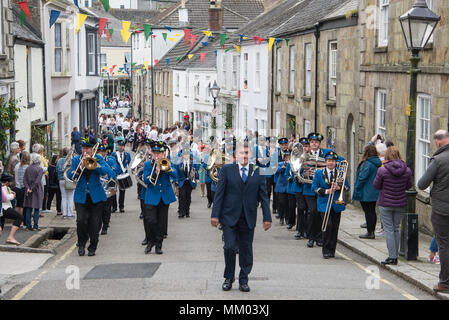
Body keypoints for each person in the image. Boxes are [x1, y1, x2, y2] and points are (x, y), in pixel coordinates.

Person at [211, 142, 272, 292]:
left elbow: (264, 197)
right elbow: (219, 194)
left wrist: (267, 217)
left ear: (250, 155)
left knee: (246, 250)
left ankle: (244, 279)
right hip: (229, 216)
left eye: (246, 153)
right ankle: (228, 277)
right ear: (235, 155)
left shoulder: (258, 171)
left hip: (248, 217)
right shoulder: (226, 169)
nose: (244, 156)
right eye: (241, 153)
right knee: (230, 247)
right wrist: (215, 215)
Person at [69, 137, 115, 256]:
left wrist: (97, 166)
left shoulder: (98, 158)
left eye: (88, 148)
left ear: (92, 149)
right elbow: (71, 175)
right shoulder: (76, 159)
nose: (86, 150)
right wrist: (80, 166)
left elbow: (110, 173)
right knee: (81, 221)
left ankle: (93, 246)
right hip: (81, 196)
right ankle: (81, 243)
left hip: (96, 197)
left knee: (94, 223)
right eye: (84, 148)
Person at [417, 130, 449, 293]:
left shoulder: (438, 160)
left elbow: (421, 184)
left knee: (444, 244)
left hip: (442, 210)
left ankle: (445, 282)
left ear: (438, 142)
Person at [373, 146, 412, 266]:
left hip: (385, 203)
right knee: (396, 229)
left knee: (389, 230)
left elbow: (376, 185)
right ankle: (395, 256)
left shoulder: (382, 170)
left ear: (388, 156)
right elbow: (409, 186)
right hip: (400, 203)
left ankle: (392, 256)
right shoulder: (407, 170)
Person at [312, 151, 350, 259]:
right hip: (324, 204)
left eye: (333, 161)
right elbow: (314, 187)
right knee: (327, 226)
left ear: (335, 162)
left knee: (335, 227)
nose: (331, 163)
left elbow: (347, 187)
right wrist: (327, 191)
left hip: (337, 204)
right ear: (325, 162)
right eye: (329, 161)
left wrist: (340, 188)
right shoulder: (319, 173)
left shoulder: (341, 173)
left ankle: (332, 250)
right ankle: (325, 249)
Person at [143, 140, 178, 254]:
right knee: (151, 221)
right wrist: (155, 173)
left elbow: (176, 175)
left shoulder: (167, 163)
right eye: (155, 153)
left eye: (159, 153)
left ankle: (159, 245)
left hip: (164, 197)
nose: (157, 155)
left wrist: (166, 169)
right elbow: (146, 181)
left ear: (163, 154)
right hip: (152, 196)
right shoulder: (148, 165)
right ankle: (150, 241)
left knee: (161, 223)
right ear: (152, 154)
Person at [304, 132, 331, 248]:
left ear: (319, 144)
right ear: (310, 144)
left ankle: (320, 237)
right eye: (312, 142)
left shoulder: (326, 154)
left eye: (316, 142)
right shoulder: (304, 155)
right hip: (309, 189)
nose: (314, 144)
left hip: (322, 188)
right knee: (312, 212)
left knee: (321, 213)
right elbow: (296, 170)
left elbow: (337, 162)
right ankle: (311, 237)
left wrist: (325, 167)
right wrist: (305, 173)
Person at [352, 145, 381, 239]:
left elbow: (362, 178)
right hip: (374, 192)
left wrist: (357, 189)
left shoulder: (367, 164)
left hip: (366, 192)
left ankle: (370, 232)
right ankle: (371, 231)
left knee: (368, 212)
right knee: (372, 211)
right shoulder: (377, 163)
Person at [97, 143, 118, 235]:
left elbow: (113, 172)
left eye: (103, 152)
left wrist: (112, 187)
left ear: (106, 152)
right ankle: (98, 226)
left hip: (108, 186)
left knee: (106, 208)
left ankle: (105, 226)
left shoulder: (111, 160)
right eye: (99, 151)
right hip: (98, 187)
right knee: (98, 209)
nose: (101, 153)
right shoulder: (94, 160)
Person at [174, 149, 199, 219]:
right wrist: (176, 180)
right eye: (184, 154)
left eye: (187, 154)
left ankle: (187, 211)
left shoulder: (192, 162)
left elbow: (196, 170)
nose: (186, 156)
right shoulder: (179, 162)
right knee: (182, 196)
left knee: (188, 197)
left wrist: (196, 178)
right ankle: (181, 212)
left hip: (190, 181)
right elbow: (176, 171)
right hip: (181, 181)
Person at [0, 173, 24, 245]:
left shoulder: (4, 187)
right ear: (7, 182)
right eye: (11, 181)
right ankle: (10, 237)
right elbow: (4, 198)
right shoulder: (3, 187)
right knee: (20, 217)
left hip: (3, 208)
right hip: (4, 208)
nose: (12, 183)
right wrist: (12, 195)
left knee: (1, 227)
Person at [23, 153, 44, 231]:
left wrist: (28, 188)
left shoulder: (28, 168)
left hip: (28, 190)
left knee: (28, 208)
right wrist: (32, 188)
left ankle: (28, 226)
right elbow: (38, 181)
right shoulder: (40, 169)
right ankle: (35, 226)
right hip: (37, 190)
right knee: (37, 208)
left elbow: (24, 179)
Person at [111, 141, 131, 213]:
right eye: (119, 145)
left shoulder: (127, 154)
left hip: (123, 175)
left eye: (122, 145)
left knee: (122, 191)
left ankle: (121, 206)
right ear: (117, 146)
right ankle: (114, 206)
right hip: (115, 175)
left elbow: (128, 163)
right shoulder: (113, 154)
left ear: (124, 146)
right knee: (113, 191)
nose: (121, 147)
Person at [56, 148, 75, 219]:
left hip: (61, 179)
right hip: (69, 179)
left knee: (63, 197)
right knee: (70, 197)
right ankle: (70, 213)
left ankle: (64, 213)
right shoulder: (72, 160)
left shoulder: (59, 160)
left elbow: (57, 170)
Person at [14, 151, 30, 217]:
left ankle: (16, 218)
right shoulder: (27, 166)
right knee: (23, 205)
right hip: (23, 187)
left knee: (18, 204)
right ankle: (21, 220)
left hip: (17, 186)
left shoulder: (17, 165)